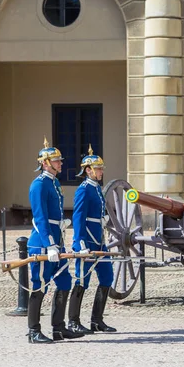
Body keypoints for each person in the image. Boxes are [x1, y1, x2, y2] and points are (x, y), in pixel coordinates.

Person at [26, 137, 84, 344]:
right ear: (45, 163)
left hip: (55, 241)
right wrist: (49, 243)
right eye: (57, 161)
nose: (60, 163)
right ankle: (33, 331)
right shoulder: (39, 185)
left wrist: (61, 223)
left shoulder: (54, 182)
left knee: (64, 281)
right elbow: (40, 217)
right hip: (43, 242)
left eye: (60, 160)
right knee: (39, 285)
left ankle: (58, 328)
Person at [67, 144, 117, 334]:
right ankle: (73, 321)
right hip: (86, 242)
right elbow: (78, 217)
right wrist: (79, 242)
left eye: (101, 168)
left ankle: (97, 321)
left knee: (107, 277)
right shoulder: (84, 189)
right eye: (98, 168)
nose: (101, 171)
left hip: (99, 241)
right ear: (88, 170)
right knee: (81, 280)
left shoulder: (96, 188)